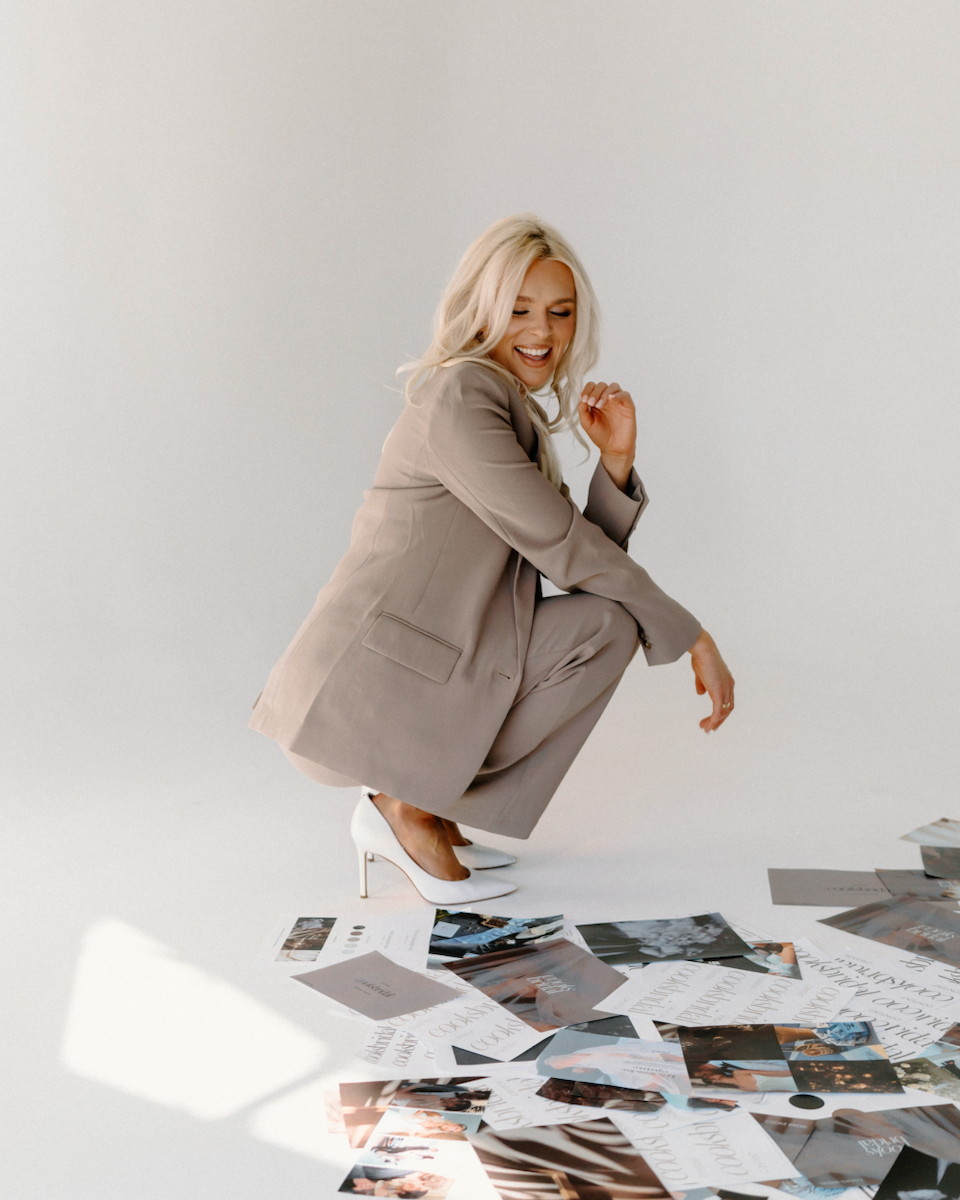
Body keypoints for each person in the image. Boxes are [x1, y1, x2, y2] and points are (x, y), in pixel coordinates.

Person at [251, 214, 735, 903]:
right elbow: (565, 548)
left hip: (432, 668)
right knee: (615, 620)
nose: (541, 333)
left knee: (605, 625)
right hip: (364, 693)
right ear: (482, 311)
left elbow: (573, 558)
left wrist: (617, 465)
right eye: (519, 310)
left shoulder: (507, 406)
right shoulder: (460, 397)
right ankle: (402, 805)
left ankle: (430, 804)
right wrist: (693, 634)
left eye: (559, 313)